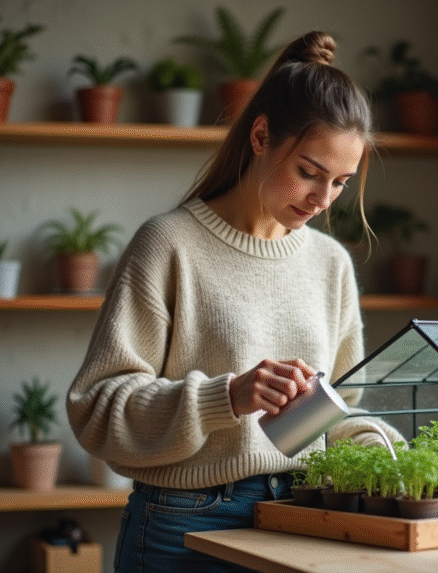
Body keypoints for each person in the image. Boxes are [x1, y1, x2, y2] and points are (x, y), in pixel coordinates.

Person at [66, 30, 401, 572]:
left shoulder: (330, 264)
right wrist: (229, 396)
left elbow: (332, 415)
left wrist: (379, 449)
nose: (322, 200)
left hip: (302, 516)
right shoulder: (169, 244)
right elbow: (97, 410)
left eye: (340, 182)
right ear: (262, 135)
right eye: (309, 173)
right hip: (184, 523)